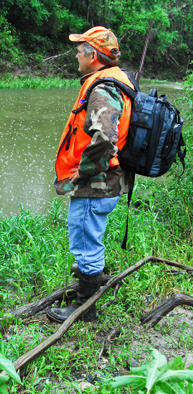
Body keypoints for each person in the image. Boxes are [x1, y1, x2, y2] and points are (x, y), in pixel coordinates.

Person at [47, 26, 134, 323]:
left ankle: (84, 307)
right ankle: (89, 281)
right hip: (109, 179)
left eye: (80, 49)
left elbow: (105, 138)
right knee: (90, 236)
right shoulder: (117, 80)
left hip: (95, 182)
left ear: (93, 56)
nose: (76, 53)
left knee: (85, 240)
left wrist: (81, 174)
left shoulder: (102, 88)